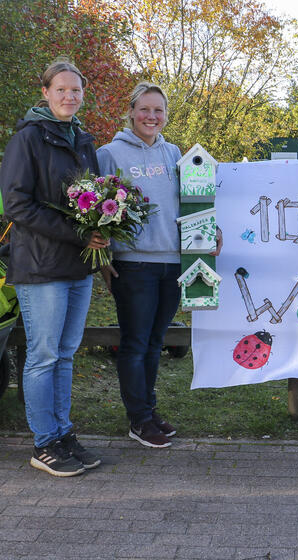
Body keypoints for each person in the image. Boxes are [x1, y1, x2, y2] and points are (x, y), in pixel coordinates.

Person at [97, 82, 221, 448]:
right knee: (135, 343)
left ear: (166, 115)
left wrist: (212, 232)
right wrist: (104, 260)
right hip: (133, 264)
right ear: (131, 111)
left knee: (155, 343)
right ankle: (137, 419)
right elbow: (95, 213)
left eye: (159, 110)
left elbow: (190, 202)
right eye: (145, 109)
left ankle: (149, 411)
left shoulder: (175, 154)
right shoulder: (109, 154)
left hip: (172, 262)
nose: (152, 116)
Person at [0, 58, 109, 476]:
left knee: (65, 355)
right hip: (41, 268)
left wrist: (103, 231)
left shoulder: (82, 140)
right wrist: (80, 234)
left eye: (76, 90)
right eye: (61, 89)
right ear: (45, 93)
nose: (69, 96)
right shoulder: (27, 139)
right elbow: (17, 205)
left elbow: (96, 199)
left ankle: (63, 433)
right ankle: (44, 442)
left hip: (78, 267)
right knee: (43, 357)